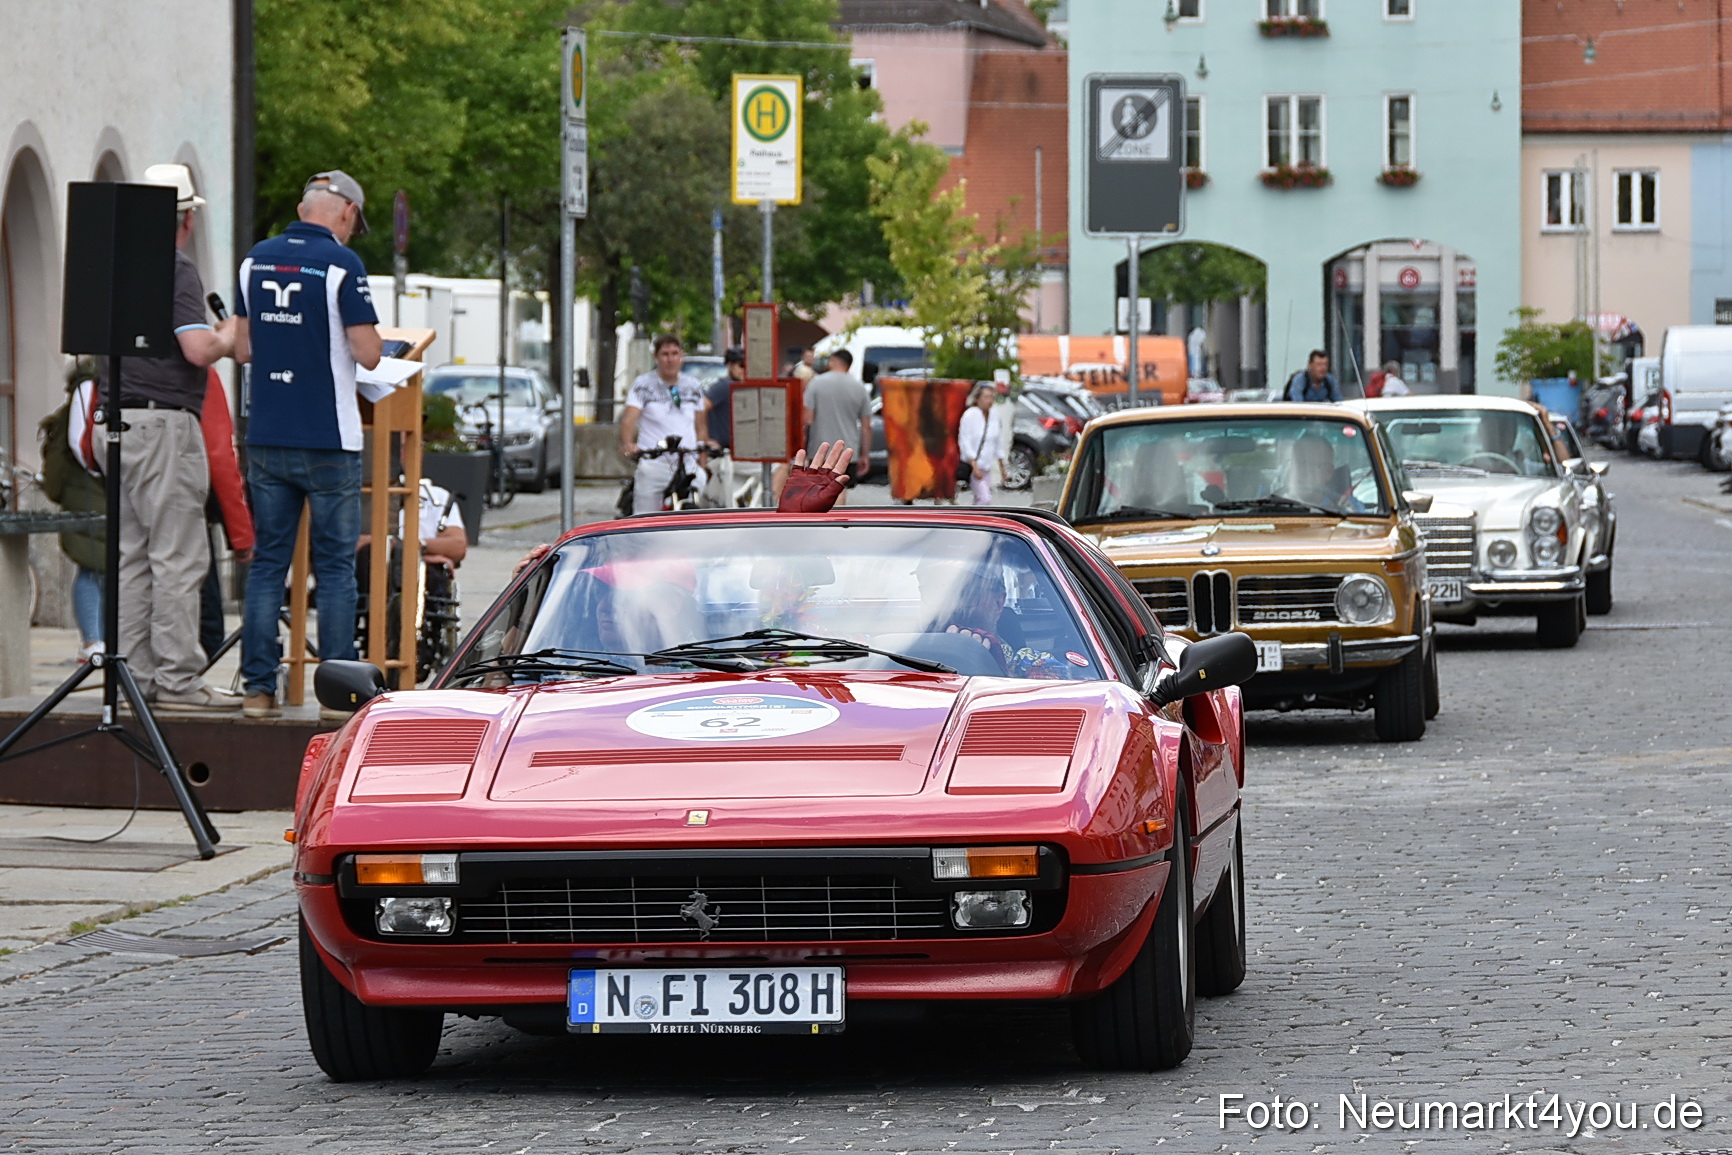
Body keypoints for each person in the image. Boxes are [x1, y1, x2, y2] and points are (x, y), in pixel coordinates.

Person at [233, 169, 382, 718]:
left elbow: (245, 349)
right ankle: (339, 698)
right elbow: (367, 354)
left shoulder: (255, 259)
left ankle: (257, 689)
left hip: (268, 435)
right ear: (343, 211)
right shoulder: (342, 264)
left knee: (269, 564)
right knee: (336, 567)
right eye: (354, 220)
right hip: (329, 438)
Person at [109, 164, 237, 710]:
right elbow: (196, 350)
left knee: (133, 556)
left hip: (118, 422)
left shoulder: (115, 263)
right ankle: (179, 682)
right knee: (179, 558)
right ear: (185, 218)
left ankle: (133, 680)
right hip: (164, 424)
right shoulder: (176, 267)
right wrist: (229, 335)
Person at [198, 369, 254, 664]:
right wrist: (241, 535)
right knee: (201, 608)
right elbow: (220, 456)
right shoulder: (200, 371)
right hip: (192, 507)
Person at [620, 333, 709, 514]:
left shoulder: (693, 385)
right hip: (655, 462)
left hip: (687, 461)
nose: (670, 359)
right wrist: (628, 443)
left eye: (675, 353)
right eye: (665, 354)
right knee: (645, 519)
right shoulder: (643, 384)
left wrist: (703, 459)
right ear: (656, 357)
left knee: (700, 507)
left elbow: (700, 426)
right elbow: (629, 419)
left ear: (681, 356)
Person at [802, 349, 872, 500]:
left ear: (833, 361)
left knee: (820, 490)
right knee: (840, 489)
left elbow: (807, 419)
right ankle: (837, 521)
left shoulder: (816, 383)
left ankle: (823, 521)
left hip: (820, 450)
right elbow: (866, 426)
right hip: (848, 452)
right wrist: (864, 455)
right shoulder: (859, 387)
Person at [957, 383, 1003, 506]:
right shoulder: (970, 415)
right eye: (986, 397)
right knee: (984, 498)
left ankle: (972, 521)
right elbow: (965, 440)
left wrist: (1002, 466)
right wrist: (974, 465)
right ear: (978, 398)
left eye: (991, 397)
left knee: (980, 499)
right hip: (974, 465)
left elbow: (997, 440)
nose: (989, 400)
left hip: (987, 465)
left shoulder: (994, 415)